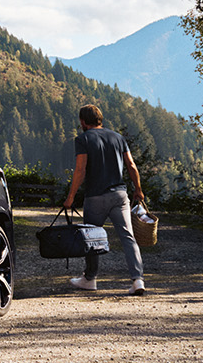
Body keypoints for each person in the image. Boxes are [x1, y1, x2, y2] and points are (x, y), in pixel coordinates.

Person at [61, 104, 147, 295]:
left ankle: (90, 279)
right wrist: (138, 190)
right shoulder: (118, 138)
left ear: (83, 121)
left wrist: (70, 197)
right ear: (100, 119)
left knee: (91, 238)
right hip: (120, 195)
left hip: (95, 197)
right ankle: (138, 280)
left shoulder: (83, 139)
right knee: (128, 237)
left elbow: (81, 170)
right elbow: (131, 165)